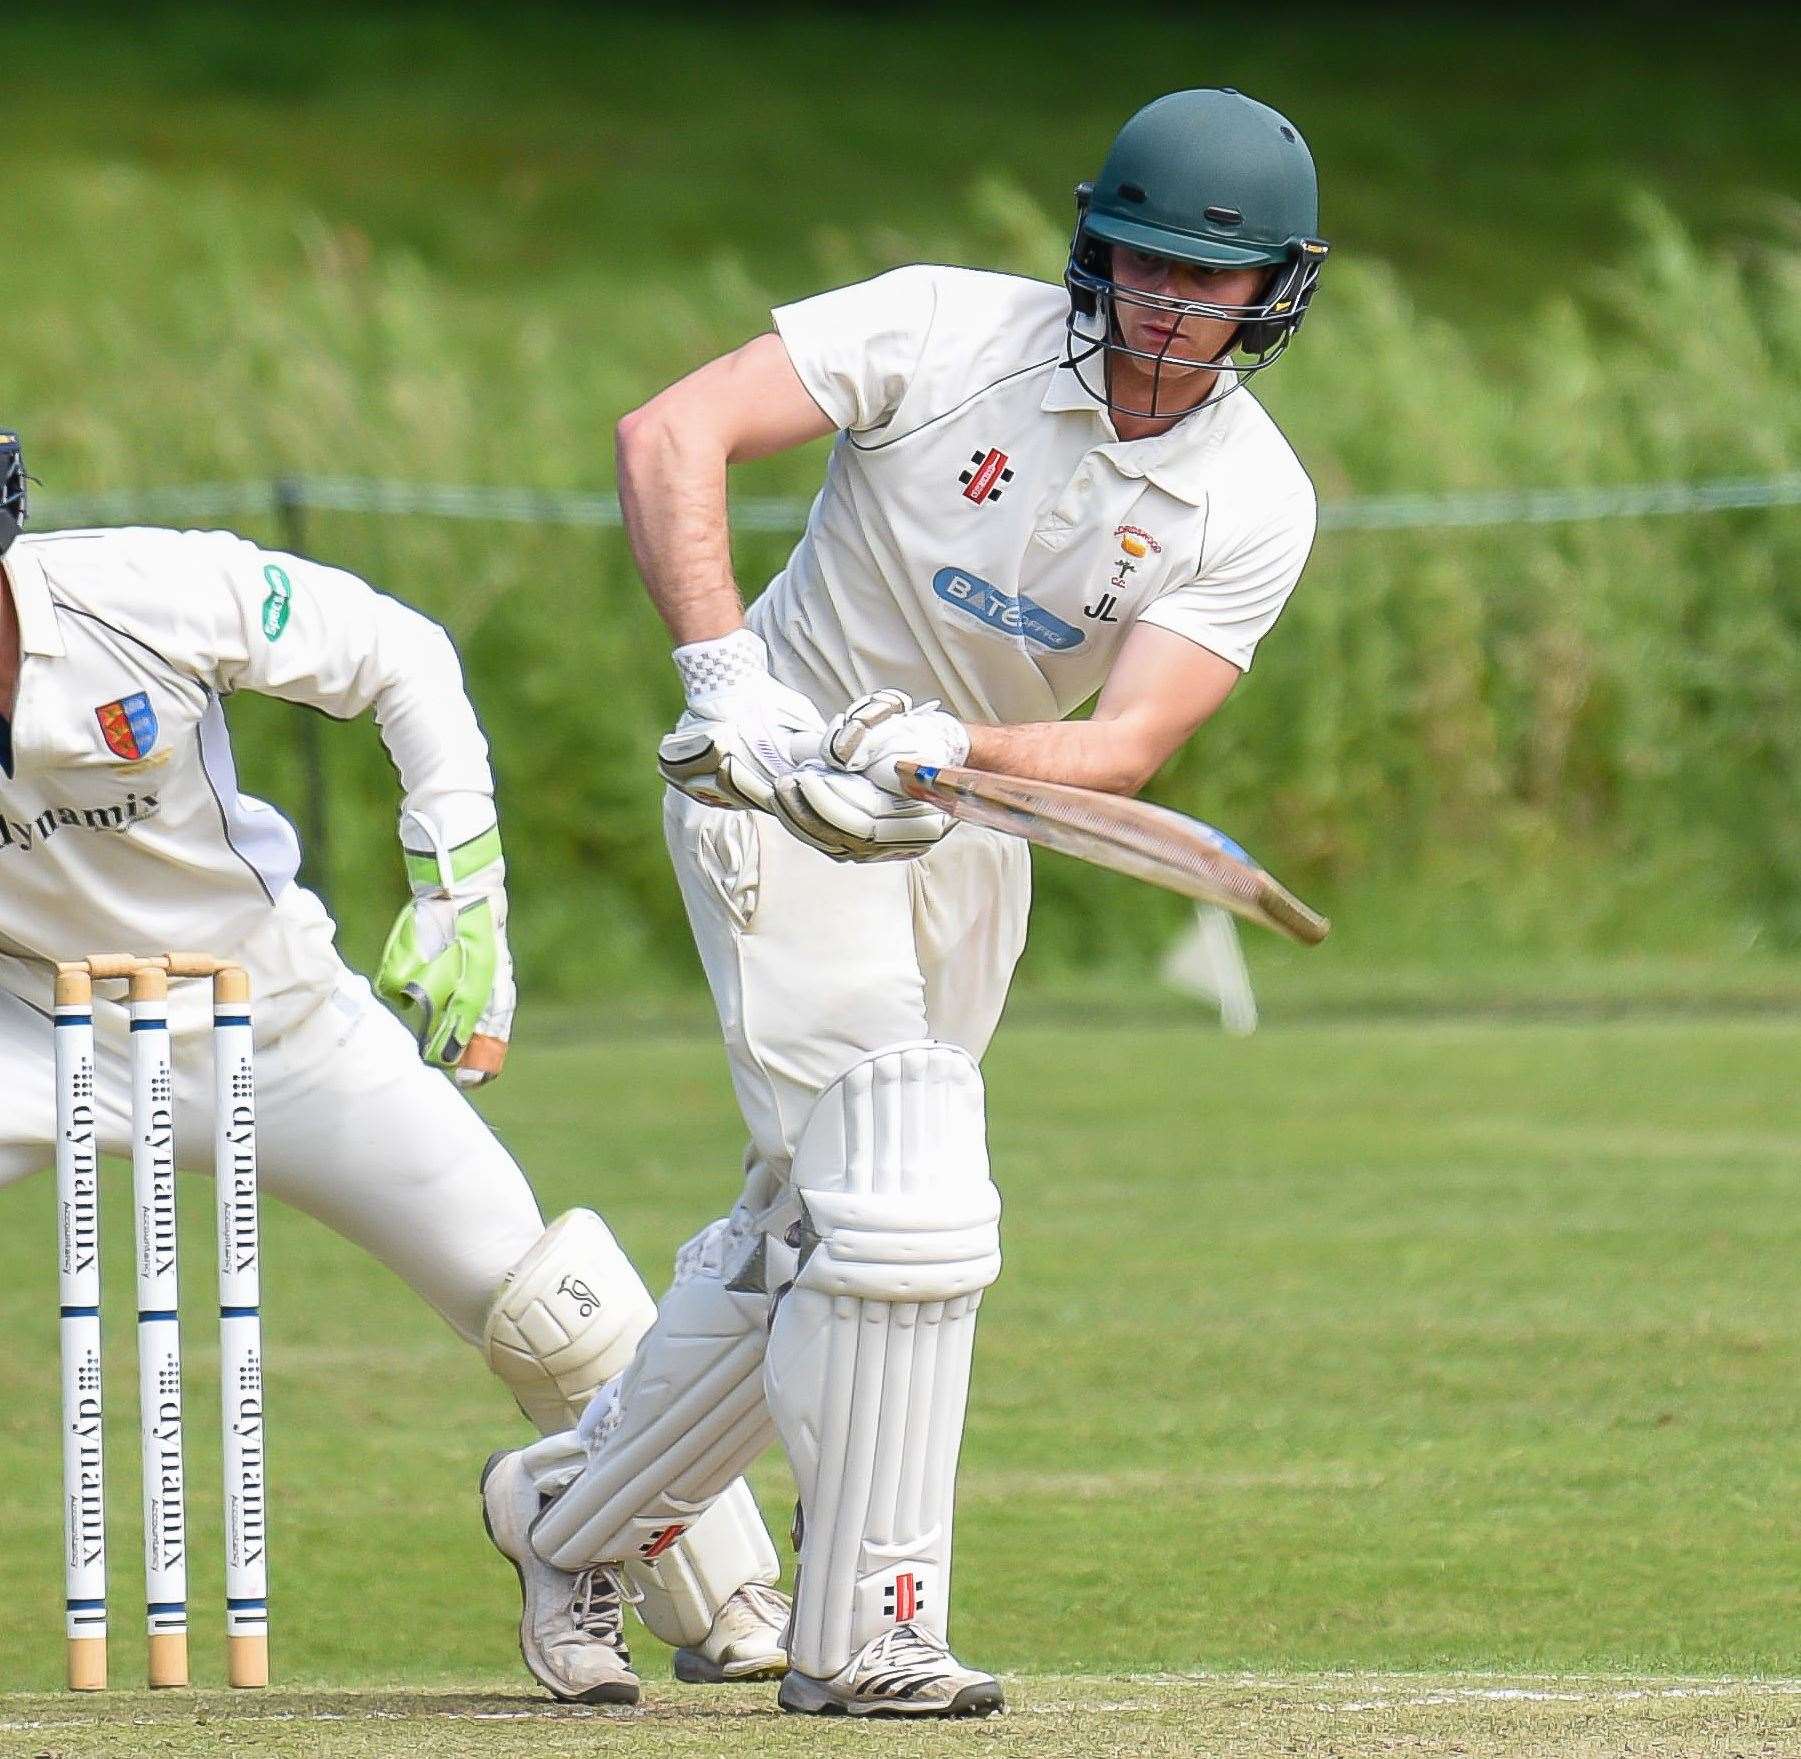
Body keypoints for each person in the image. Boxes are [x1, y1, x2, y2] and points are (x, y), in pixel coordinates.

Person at [483, 86, 1328, 1717]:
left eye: (1206, 280)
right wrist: (728, 677)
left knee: (812, 1220)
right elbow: (670, 432)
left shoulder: (1254, 496)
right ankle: (868, 1620)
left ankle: (567, 1516)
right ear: (1092, 250)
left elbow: (1132, 740)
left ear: (1271, 291)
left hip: (968, 822)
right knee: (904, 1194)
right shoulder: (942, 328)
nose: (1165, 303)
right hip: (775, 783)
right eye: (1140, 263)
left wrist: (953, 741)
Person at [0, 429, 790, 1704]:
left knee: (548, 1302)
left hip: (271, 1011)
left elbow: (401, 654)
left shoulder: (143, 591)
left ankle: (709, 1582)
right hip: (31, 1024)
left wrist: (458, 891)